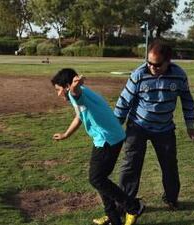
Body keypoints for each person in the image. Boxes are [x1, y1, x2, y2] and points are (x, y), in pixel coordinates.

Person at [51, 68, 144, 225]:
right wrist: (66, 134)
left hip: (108, 139)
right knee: (99, 179)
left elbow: (75, 93)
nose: (58, 94)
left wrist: (74, 87)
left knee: (96, 178)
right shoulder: (84, 93)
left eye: (59, 90)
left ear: (66, 86)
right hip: (108, 138)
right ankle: (113, 218)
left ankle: (133, 206)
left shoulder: (77, 94)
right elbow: (80, 116)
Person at [114, 40, 194, 211]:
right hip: (138, 126)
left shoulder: (179, 75)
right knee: (131, 165)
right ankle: (125, 203)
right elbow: (124, 101)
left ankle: (171, 198)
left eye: (157, 65)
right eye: (149, 63)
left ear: (168, 61)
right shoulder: (139, 74)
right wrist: (115, 126)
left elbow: (187, 100)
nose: (152, 67)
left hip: (165, 129)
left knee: (169, 166)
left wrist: (190, 125)